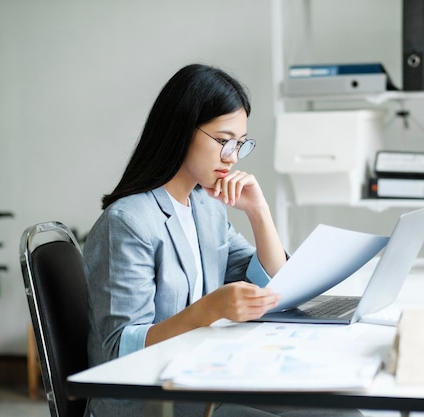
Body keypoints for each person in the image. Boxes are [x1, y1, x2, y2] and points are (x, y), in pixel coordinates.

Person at [83, 63, 364, 417]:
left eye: (240, 144)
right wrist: (208, 310)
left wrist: (258, 212)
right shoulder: (128, 222)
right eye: (223, 141)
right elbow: (118, 350)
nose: (231, 157)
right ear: (182, 129)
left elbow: (276, 286)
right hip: (151, 402)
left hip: (201, 381)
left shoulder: (205, 206)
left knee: (341, 411)